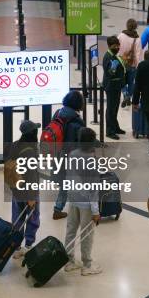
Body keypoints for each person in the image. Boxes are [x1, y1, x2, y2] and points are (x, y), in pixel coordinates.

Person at [63, 127, 102, 276]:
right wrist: (96, 211)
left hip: (73, 199)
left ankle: (69, 261)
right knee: (87, 233)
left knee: (71, 230)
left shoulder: (72, 155)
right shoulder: (91, 160)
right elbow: (93, 188)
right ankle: (87, 265)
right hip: (86, 203)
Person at [50, 91, 86, 220]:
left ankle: (60, 208)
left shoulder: (58, 113)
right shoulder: (77, 122)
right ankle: (58, 209)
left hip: (56, 154)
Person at [10, 120, 40, 259]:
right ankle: (28, 245)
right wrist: (32, 197)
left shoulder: (15, 145)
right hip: (29, 192)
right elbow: (32, 175)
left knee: (17, 218)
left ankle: (16, 246)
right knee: (32, 218)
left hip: (16, 190)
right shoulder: (30, 150)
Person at [102, 36, 126, 140]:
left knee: (115, 107)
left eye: (118, 45)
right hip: (111, 86)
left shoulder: (114, 55)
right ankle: (109, 131)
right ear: (109, 46)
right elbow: (110, 73)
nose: (117, 47)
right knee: (111, 109)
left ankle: (115, 127)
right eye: (115, 46)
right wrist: (113, 68)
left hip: (116, 86)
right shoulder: (108, 57)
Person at [118, 18, 142, 108]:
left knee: (122, 81)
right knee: (131, 82)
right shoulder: (137, 39)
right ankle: (129, 97)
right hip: (132, 64)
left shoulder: (121, 36)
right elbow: (138, 54)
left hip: (122, 63)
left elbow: (117, 49)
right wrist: (137, 65)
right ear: (136, 27)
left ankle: (125, 95)